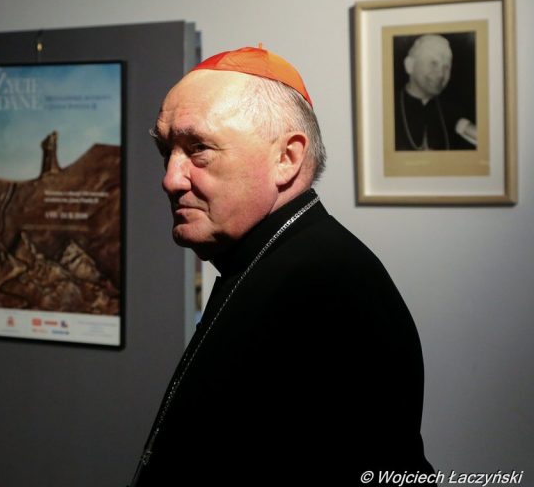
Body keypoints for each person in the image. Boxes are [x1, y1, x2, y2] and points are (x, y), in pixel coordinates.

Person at [130, 46, 434, 486]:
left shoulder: (329, 287)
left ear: (286, 158)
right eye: (167, 150)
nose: (170, 179)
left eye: (199, 149)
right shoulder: (265, 261)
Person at [395, 34, 476, 150]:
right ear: (410, 65)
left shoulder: (455, 112)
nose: (441, 74)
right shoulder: (387, 107)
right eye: (433, 63)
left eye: (446, 67)